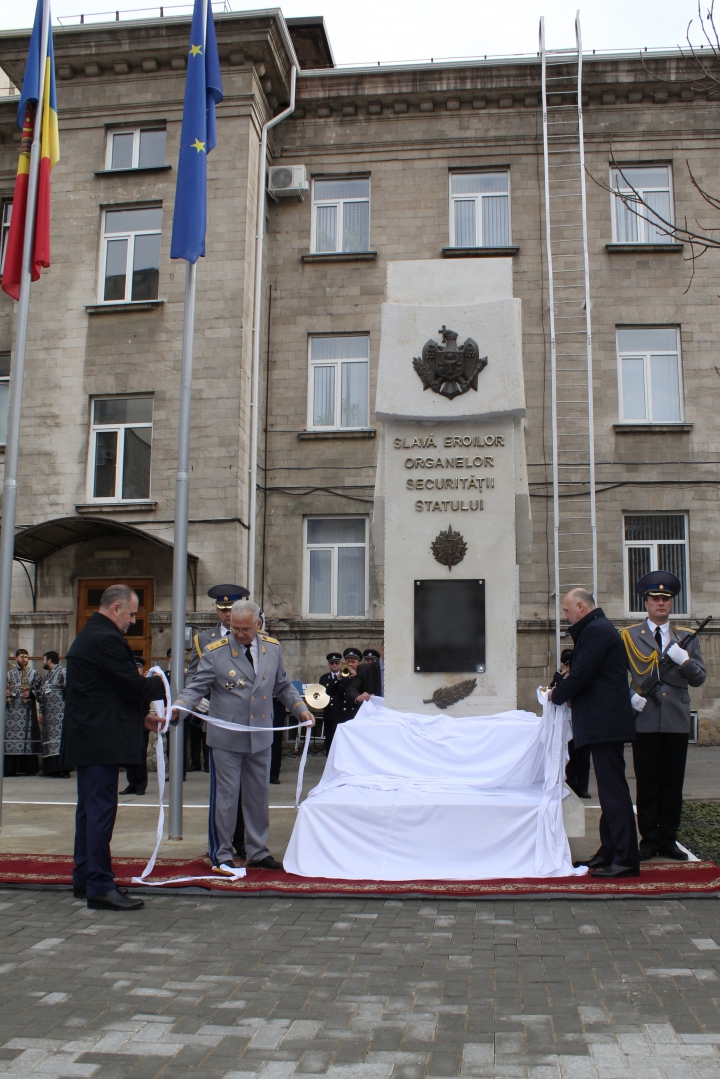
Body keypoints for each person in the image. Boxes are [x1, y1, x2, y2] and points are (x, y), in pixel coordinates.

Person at [171, 598, 315, 875]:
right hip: (227, 737)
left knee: (258, 797)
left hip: (260, 735)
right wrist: (179, 707)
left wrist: (300, 709)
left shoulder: (272, 649)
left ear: (258, 625)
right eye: (235, 628)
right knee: (226, 798)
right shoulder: (215, 652)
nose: (239, 634)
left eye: (245, 629)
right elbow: (195, 688)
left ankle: (257, 852)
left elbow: (282, 684)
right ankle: (222, 854)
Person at [61, 584, 166, 911]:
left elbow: (105, 693)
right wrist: (162, 683)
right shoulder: (106, 639)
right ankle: (100, 886)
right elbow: (129, 685)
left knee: (89, 812)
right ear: (116, 608)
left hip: (90, 737)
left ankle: (85, 877)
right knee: (100, 813)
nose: (133, 621)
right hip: (99, 741)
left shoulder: (90, 634)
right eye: (132, 614)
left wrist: (142, 720)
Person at [549, 588, 639, 878]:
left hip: (604, 723)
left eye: (566, 611)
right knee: (609, 791)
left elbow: (583, 673)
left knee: (614, 791)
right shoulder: (595, 629)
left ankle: (625, 858)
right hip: (601, 723)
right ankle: (610, 850)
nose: (565, 616)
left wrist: (556, 695)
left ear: (580, 607)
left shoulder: (597, 630)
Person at [621, 570, 707, 862]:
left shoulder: (687, 638)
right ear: (645, 602)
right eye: (655, 598)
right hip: (645, 719)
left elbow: (699, 678)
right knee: (647, 783)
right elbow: (616, 675)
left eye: (665, 599)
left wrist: (684, 662)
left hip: (676, 720)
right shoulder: (629, 636)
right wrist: (629, 697)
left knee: (672, 783)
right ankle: (648, 840)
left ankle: (668, 840)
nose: (660, 603)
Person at [550, 647, 591, 799]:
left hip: (581, 719)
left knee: (584, 755)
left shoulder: (580, 675)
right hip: (567, 720)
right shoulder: (560, 676)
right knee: (570, 754)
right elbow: (554, 689)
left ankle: (582, 786)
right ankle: (570, 783)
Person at [4, 648, 42, 776]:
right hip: (12, 712)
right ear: (16, 658)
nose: (24, 660)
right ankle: (10, 769)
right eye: (21, 657)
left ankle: (28, 769)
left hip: (28, 713)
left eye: (26, 657)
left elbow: (40, 692)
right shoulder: (9, 674)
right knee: (10, 738)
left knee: (28, 737)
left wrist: (31, 693)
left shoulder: (34, 674)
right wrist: (6, 693)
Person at [120, 657, 152, 796]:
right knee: (130, 754)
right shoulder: (128, 684)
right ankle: (132, 783)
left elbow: (146, 703)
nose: (137, 670)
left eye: (139, 668)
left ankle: (140, 784)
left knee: (140, 755)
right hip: (129, 723)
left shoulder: (143, 683)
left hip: (141, 723)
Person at [40, 651, 69, 778]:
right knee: (49, 741)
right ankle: (49, 769)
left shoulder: (63, 671)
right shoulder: (46, 677)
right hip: (48, 715)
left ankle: (63, 770)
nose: (43, 662)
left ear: (49, 660)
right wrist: (40, 712)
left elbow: (69, 689)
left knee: (60, 741)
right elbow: (42, 696)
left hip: (60, 713)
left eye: (43, 660)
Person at [319, 652, 356, 755]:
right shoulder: (324, 678)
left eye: (336, 663)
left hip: (343, 713)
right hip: (330, 714)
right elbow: (327, 692)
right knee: (330, 742)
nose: (334, 665)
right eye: (332, 663)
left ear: (340, 663)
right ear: (329, 664)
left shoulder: (348, 676)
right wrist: (337, 678)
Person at [347, 643, 385, 707]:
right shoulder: (365, 669)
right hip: (373, 711)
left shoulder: (405, 670)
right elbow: (351, 689)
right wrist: (359, 697)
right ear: (382, 649)